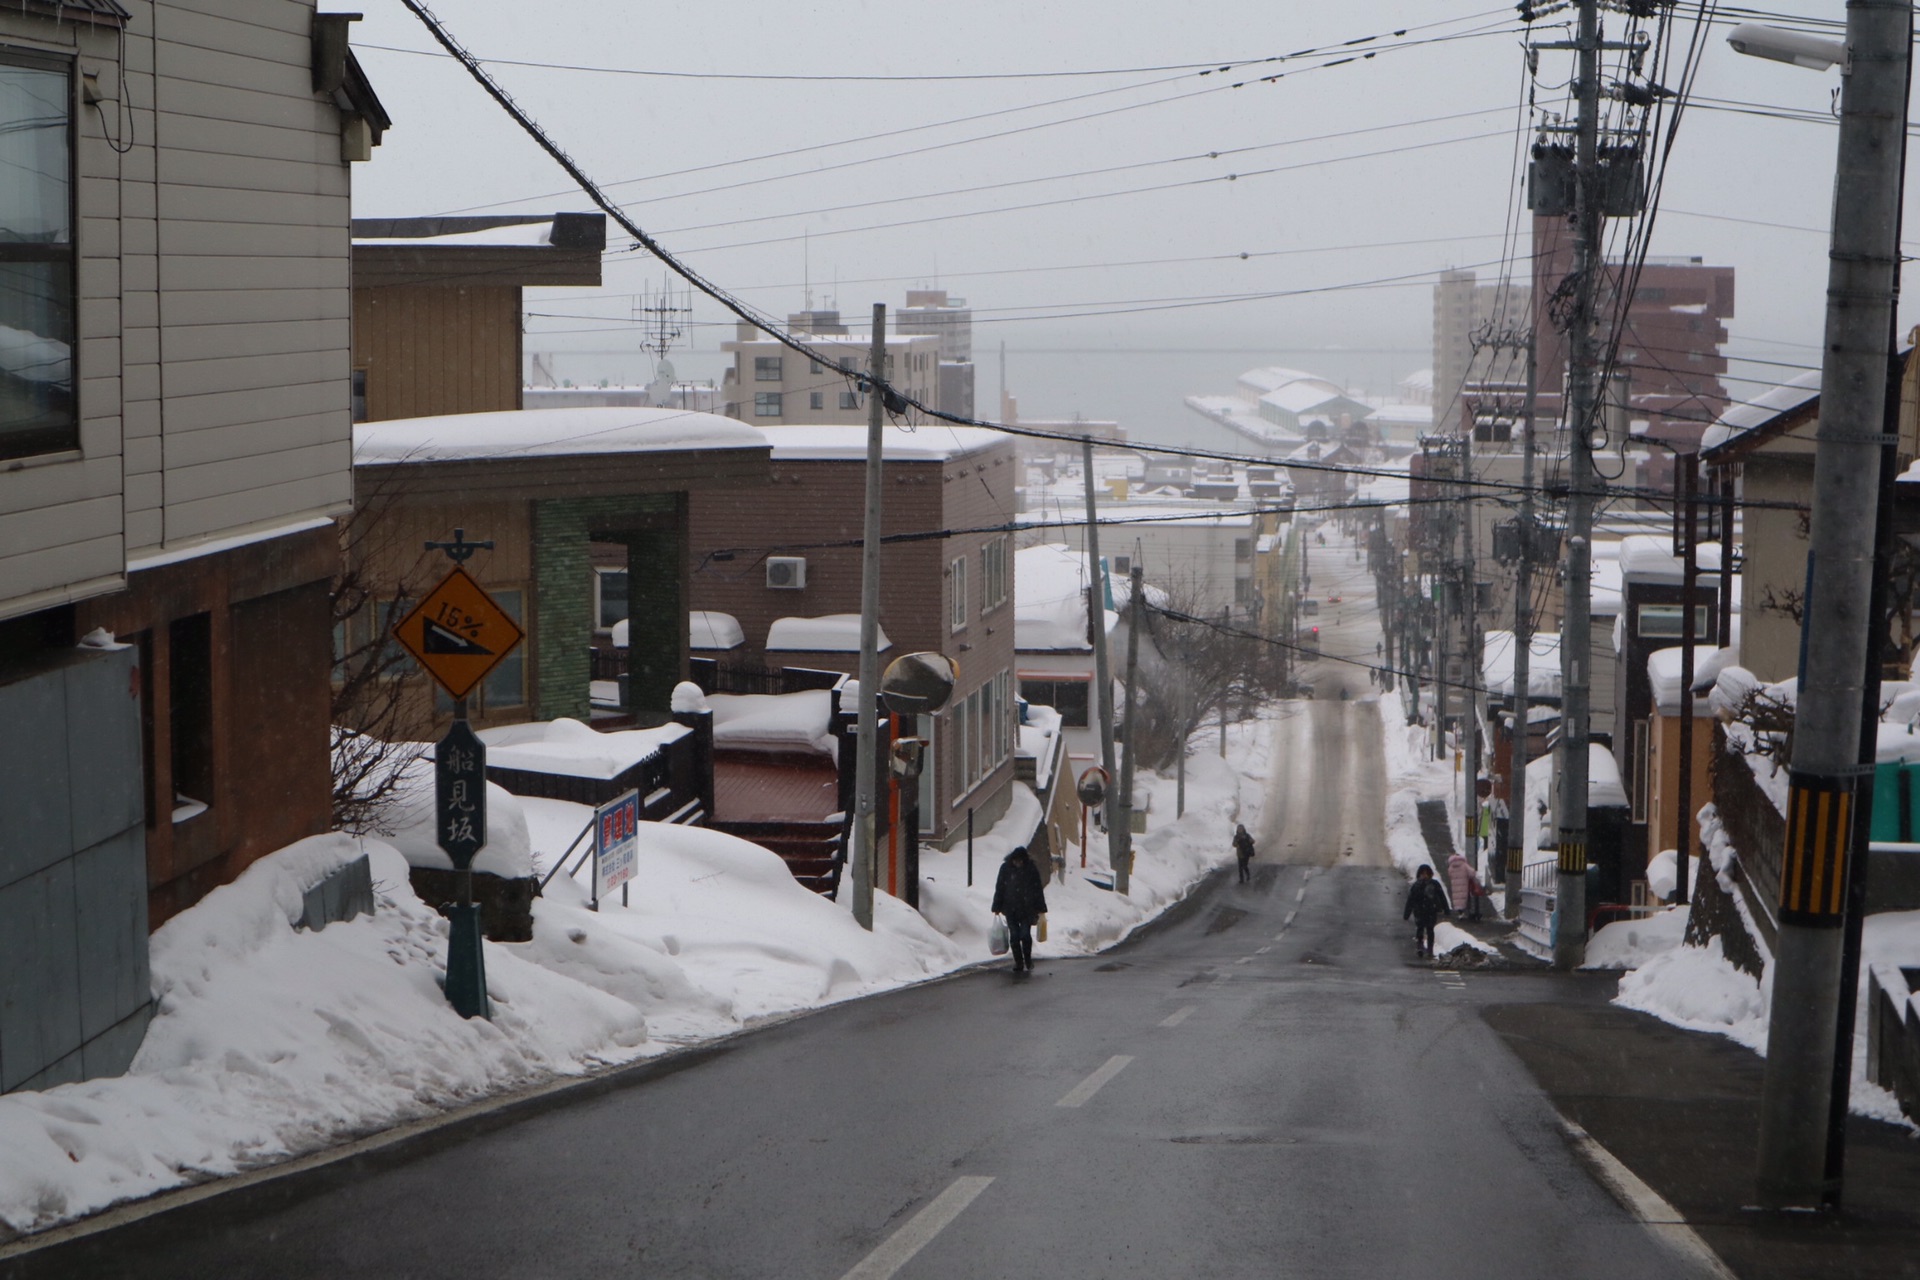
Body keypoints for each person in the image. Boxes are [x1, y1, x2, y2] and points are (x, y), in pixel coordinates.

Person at [991, 845, 1048, 974]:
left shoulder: (1031, 869)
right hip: (1010, 909)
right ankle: (1019, 962)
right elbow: (1000, 888)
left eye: (1020, 861)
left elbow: (1037, 889)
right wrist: (997, 906)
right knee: (1014, 937)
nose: (1018, 863)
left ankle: (1027, 959)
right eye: (1016, 861)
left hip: (1027, 910)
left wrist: (1041, 908)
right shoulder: (1006, 869)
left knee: (1025, 935)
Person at [1403, 864, 1449, 958]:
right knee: (1420, 928)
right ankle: (1420, 946)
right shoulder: (1417, 885)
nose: (1424, 876)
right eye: (1422, 874)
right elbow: (1411, 900)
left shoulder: (1433, 884)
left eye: (1426, 874)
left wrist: (1446, 908)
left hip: (1430, 910)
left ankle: (1429, 949)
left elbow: (1442, 897)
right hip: (1420, 910)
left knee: (1430, 929)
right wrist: (1407, 913)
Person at [1447, 849, 1484, 922]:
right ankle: (1468, 912)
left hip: (1455, 886)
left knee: (1457, 899)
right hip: (1464, 885)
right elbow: (1472, 872)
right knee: (1465, 898)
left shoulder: (1451, 866)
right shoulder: (1464, 865)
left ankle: (1460, 913)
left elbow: (1449, 874)